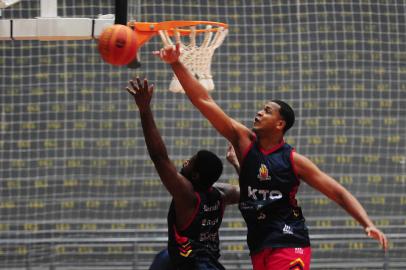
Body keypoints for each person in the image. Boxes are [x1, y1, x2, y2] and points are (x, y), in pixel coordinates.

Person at [153, 42, 389, 270]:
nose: (259, 112)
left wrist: (367, 224)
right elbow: (205, 101)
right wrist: (176, 63)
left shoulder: (293, 160)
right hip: (259, 246)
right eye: (261, 108)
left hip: (289, 241)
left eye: (267, 111)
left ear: (280, 123)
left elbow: (337, 192)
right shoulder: (244, 143)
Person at [126, 77, 240, 270]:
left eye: (191, 162)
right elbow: (248, 190)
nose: (186, 162)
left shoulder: (187, 195)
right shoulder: (221, 194)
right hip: (191, 258)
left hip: (195, 265)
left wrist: (144, 110)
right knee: (164, 259)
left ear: (195, 176)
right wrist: (237, 164)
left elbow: (159, 157)